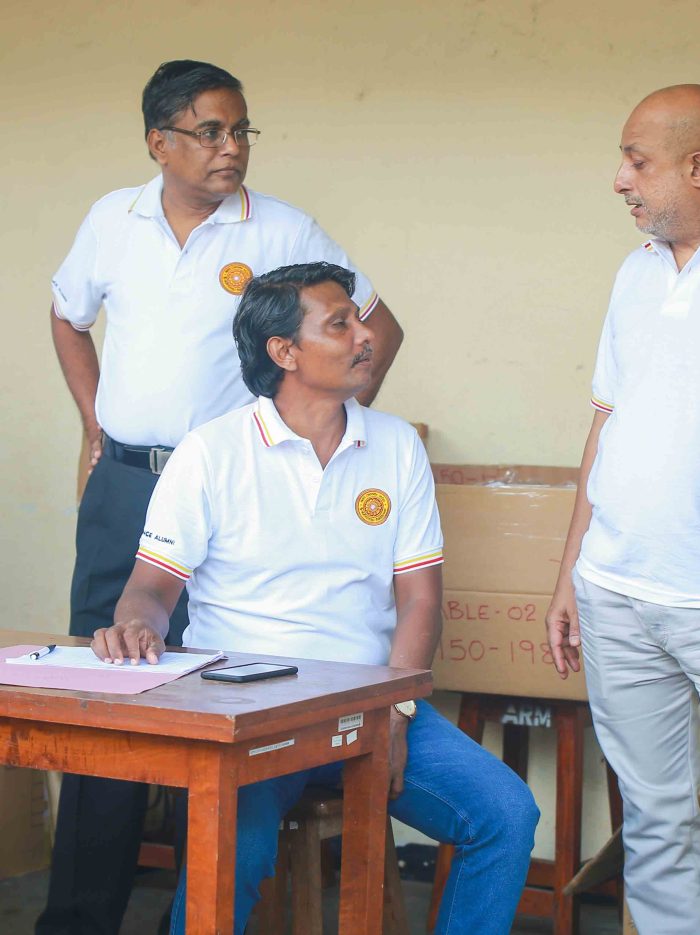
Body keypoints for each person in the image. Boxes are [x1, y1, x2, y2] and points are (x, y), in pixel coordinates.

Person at [40, 60, 403, 935]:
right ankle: (80, 919)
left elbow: (377, 329)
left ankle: (198, 910)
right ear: (158, 142)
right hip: (129, 484)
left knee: (217, 698)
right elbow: (67, 315)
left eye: (240, 130)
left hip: (233, 494)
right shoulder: (111, 221)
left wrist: (319, 439)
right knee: (108, 693)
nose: (230, 147)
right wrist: (94, 421)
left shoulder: (281, 228)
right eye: (209, 132)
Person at [91, 261, 539, 935]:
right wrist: (137, 625)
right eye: (340, 324)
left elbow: (420, 602)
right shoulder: (211, 451)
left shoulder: (395, 446)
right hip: (247, 717)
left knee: (505, 814)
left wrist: (395, 711)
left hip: (368, 705)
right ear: (285, 352)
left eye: (358, 320)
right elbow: (151, 588)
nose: (366, 335)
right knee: (233, 853)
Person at [545, 85, 700, 935]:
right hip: (617, 592)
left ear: (697, 167)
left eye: (637, 162)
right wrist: (572, 570)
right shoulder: (636, 273)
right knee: (657, 821)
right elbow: (606, 422)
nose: (619, 179)